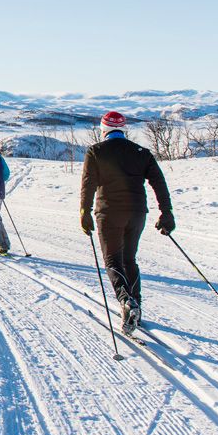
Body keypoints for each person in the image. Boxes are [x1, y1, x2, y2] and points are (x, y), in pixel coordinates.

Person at [80, 111, 175, 335]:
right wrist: (166, 212)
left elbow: (88, 183)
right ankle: (136, 306)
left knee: (113, 259)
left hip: (109, 212)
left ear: (104, 130)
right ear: (124, 129)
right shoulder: (141, 152)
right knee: (129, 258)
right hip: (136, 212)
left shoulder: (96, 151)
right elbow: (159, 183)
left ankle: (126, 301)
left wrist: (84, 211)